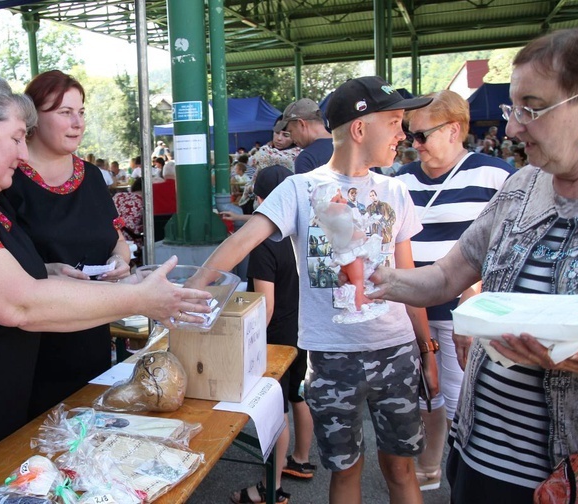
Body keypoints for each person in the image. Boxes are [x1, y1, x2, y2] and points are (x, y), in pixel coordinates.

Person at [0, 63, 211, 496]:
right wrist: (139, 299)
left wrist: (45, 271)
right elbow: (19, 305)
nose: (23, 153)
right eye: (15, 139)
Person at [370, 27, 578, 503]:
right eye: (512, 108)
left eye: (532, 107)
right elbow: (446, 275)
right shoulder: (521, 188)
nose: (513, 128)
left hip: (575, 477)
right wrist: (382, 278)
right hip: (479, 457)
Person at [202, 76, 438, 504]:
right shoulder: (299, 188)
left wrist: (428, 352)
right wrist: (185, 293)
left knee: (401, 469)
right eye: (395, 122)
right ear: (361, 128)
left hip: (397, 351)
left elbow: (409, 280)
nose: (403, 135)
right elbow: (241, 241)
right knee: (344, 471)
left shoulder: (396, 192)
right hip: (331, 358)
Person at [395, 89, 516, 491]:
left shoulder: (496, 175)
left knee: (459, 394)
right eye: (410, 135)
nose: (413, 145)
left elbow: (505, 248)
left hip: (461, 313)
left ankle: (461, 468)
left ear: (453, 130)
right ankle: (431, 458)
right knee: (424, 393)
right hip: (409, 313)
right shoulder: (400, 181)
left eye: (421, 136)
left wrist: (474, 290)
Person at [0, 70, 131, 418]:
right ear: (34, 118)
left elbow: (117, 240)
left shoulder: (93, 178)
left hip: (92, 335)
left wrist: (120, 260)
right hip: (31, 347)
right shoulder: (7, 181)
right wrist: (44, 271)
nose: (77, 122)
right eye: (65, 112)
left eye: (81, 112)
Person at [230, 165, 315, 504]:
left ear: (263, 201)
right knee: (299, 395)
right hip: (304, 331)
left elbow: (265, 305)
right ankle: (302, 459)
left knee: (275, 412)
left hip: (277, 339)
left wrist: (245, 348)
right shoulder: (305, 232)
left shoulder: (265, 244)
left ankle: (271, 487)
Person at [274, 98, 333, 174]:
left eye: (290, 131)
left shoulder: (307, 159)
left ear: (301, 124)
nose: (291, 138)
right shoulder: (347, 145)